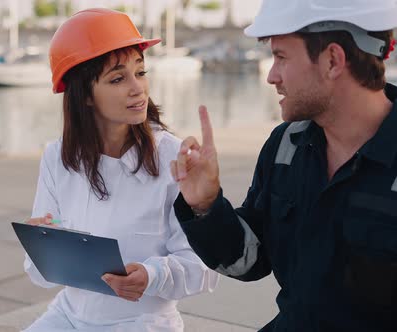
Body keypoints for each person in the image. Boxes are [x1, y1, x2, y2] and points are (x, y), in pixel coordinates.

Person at [170, 0, 397, 331]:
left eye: (280, 57)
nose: (271, 76)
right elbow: (249, 260)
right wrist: (205, 206)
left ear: (333, 60)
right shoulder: (285, 147)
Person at [22, 8, 218, 332]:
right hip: (68, 317)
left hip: (143, 322)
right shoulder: (56, 157)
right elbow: (39, 275)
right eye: (117, 78)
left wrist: (152, 276)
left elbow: (204, 268)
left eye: (140, 72)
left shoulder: (174, 156)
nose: (137, 88)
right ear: (84, 95)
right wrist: (42, 245)